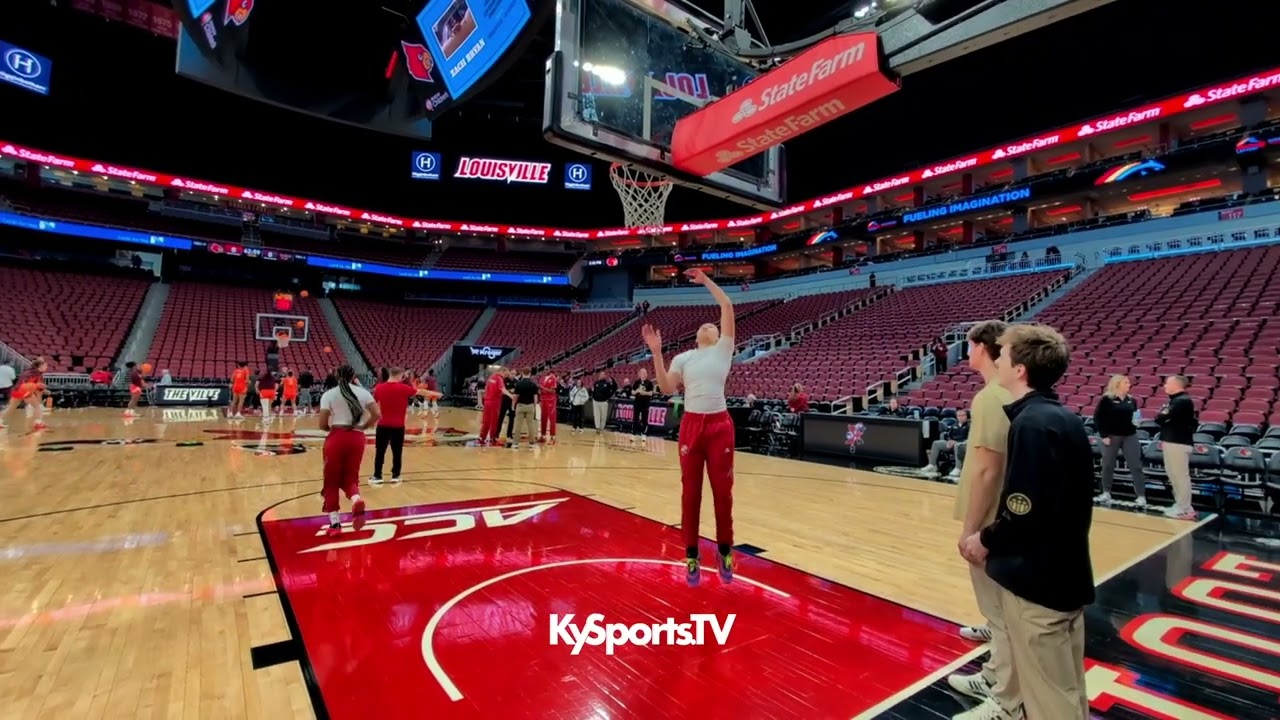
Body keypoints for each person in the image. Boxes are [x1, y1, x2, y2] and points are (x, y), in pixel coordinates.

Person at [961, 323, 1095, 720]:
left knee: (1049, 697)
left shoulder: (1032, 424)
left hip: (1038, 579)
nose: (997, 359)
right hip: (1065, 572)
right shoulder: (1061, 417)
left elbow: (1024, 508)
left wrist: (984, 537)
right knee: (1066, 688)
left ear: (1019, 369)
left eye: (1003, 354)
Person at [642, 268, 736, 587]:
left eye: (713, 325)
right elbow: (668, 388)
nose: (710, 325)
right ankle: (692, 553)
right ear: (698, 336)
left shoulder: (724, 349)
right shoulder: (683, 358)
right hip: (692, 425)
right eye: (705, 325)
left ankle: (725, 550)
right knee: (690, 493)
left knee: (723, 493)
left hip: (720, 424)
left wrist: (707, 281)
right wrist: (656, 353)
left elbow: (726, 307)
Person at [945, 321, 1018, 720]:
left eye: (967, 345)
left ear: (979, 348)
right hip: (1001, 515)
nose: (965, 351)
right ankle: (994, 674)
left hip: (989, 517)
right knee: (999, 614)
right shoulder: (1003, 394)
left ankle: (1004, 699)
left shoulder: (991, 397)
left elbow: (988, 470)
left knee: (1001, 615)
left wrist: (971, 528)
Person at [318, 365, 380, 536]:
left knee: (331, 481)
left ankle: (335, 525)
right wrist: (363, 426)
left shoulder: (329, 394)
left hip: (337, 437)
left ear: (337, 376)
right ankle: (356, 499)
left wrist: (330, 427)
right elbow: (377, 414)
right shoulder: (364, 393)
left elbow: (322, 424)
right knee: (351, 477)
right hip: (357, 438)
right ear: (354, 376)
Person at [1093, 374, 1146, 506]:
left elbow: (1135, 416)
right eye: (1126, 382)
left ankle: (1141, 495)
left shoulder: (1132, 400)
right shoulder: (1107, 399)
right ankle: (1106, 492)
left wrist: (1138, 422)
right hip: (1111, 435)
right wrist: (1104, 435)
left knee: (1136, 465)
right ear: (1117, 384)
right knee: (1108, 465)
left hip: (1130, 435)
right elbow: (1098, 418)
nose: (1129, 385)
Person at [1155, 375, 1197, 520]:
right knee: (1173, 475)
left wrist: (1164, 416)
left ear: (1176, 385)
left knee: (1180, 476)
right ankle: (1180, 504)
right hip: (1171, 441)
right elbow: (1159, 418)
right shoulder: (1175, 401)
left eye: (1167, 383)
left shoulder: (1182, 401)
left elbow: (1161, 417)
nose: (1165, 386)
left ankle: (1185, 508)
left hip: (1178, 442)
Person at [371, 368, 419, 483]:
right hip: (398, 426)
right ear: (400, 375)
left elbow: (373, 405)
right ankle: (396, 476)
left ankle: (377, 476)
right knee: (397, 452)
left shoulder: (379, 388)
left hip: (383, 425)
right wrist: (436, 394)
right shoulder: (404, 388)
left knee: (380, 452)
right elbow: (417, 392)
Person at [1, 357, 48, 431]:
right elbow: (28, 385)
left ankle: (0, 421)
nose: (46, 367)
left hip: (16, 390)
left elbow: (35, 386)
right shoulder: (35, 373)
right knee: (37, 406)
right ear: (40, 366)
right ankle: (38, 423)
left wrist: (39, 388)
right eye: (45, 365)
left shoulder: (29, 371)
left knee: (10, 408)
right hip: (24, 391)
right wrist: (37, 387)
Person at [924, 409, 970, 480]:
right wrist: (949, 441)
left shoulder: (970, 426)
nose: (960, 417)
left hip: (963, 444)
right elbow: (949, 435)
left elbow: (969, 438)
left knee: (958, 445)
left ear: (966, 416)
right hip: (952, 443)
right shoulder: (954, 425)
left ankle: (958, 468)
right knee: (936, 443)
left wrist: (956, 442)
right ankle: (932, 465)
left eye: (962, 415)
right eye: (958, 416)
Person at [512, 368, 540, 449]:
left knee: (518, 425)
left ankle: (515, 443)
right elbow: (535, 397)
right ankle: (531, 443)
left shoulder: (519, 384)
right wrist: (534, 407)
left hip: (520, 405)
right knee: (530, 425)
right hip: (530, 406)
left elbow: (516, 396)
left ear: (522, 373)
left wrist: (513, 405)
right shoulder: (534, 384)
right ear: (530, 373)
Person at [630, 368, 655, 442]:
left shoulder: (649, 383)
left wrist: (644, 393)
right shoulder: (636, 382)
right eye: (642, 373)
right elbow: (632, 392)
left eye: (645, 373)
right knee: (635, 419)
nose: (644, 375)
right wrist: (636, 391)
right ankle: (633, 434)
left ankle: (644, 434)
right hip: (637, 403)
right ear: (640, 374)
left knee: (644, 419)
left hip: (645, 403)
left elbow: (651, 393)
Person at [590, 370, 617, 435]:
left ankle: (602, 428)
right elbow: (593, 391)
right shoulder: (596, 383)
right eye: (601, 374)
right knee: (596, 415)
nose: (602, 375)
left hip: (604, 402)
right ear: (599, 375)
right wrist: (593, 395)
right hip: (596, 401)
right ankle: (597, 428)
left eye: (603, 374)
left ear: (605, 376)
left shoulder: (607, 384)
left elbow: (613, 389)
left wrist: (608, 398)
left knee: (603, 416)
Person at [539, 368, 559, 444]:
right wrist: (539, 391)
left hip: (551, 400)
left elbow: (553, 391)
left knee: (552, 418)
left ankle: (553, 437)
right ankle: (543, 436)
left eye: (547, 369)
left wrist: (543, 388)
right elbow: (540, 389)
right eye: (544, 370)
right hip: (543, 399)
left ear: (550, 370)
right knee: (543, 417)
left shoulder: (553, 378)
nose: (545, 371)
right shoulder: (542, 378)